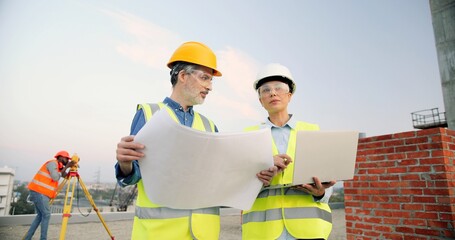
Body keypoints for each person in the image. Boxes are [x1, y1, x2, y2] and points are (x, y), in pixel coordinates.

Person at [115, 41, 276, 240]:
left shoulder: (209, 126)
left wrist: (255, 174)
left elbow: (221, 176)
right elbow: (133, 176)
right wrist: (125, 164)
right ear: (183, 76)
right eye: (204, 78)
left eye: (211, 81)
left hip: (204, 233)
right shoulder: (149, 114)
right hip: (159, 233)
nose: (209, 87)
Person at [242, 63, 336, 240]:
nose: (273, 93)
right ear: (261, 100)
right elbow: (237, 185)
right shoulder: (248, 136)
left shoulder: (312, 131)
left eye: (279, 88)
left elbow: (326, 186)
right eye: (266, 90)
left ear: (289, 96)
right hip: (263, 231)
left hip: (309, 229)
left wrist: (321, 192)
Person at [24, 150, 75, 240]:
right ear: (61, 157)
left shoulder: (59, 168)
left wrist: (72, 169)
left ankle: (28, 238)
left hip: (41, 193)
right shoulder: (52, 164)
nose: (67, 161)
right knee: (46, 215)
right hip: (39, 192)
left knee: (40, 216)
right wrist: (67, 166)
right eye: (67, 159)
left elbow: (66, 176)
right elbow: (55, 177)